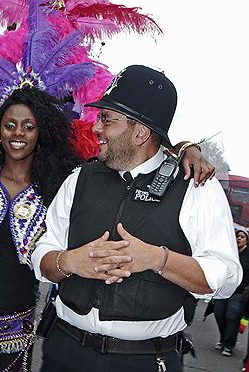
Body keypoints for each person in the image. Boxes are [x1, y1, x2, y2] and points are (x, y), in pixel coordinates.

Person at [0, 64, 212, 370]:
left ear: (41, 132)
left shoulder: (63, 184)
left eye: (28, 126)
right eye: (10, 125)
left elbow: (139, 148)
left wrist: (185, 147)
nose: (18, 133)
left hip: (14, 319)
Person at [31, 65, 242, 372]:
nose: (96, 128)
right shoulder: (79, 179)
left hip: (145, 361)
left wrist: (157, 259)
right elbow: (40, 251)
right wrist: (69, 262)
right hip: (64, 351)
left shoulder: (195, 189)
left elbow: (226, 277)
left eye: (108, 119)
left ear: (141, 132)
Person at [214, 229, 249, 356]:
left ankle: (228, 345)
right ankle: (223, 339)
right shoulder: (230, 252)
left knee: (232, 316)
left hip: (240, 291)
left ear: (246, 240)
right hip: (225, 289)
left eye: (242, 237)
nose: (239, 239)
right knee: (219, 313)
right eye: (237, 236)